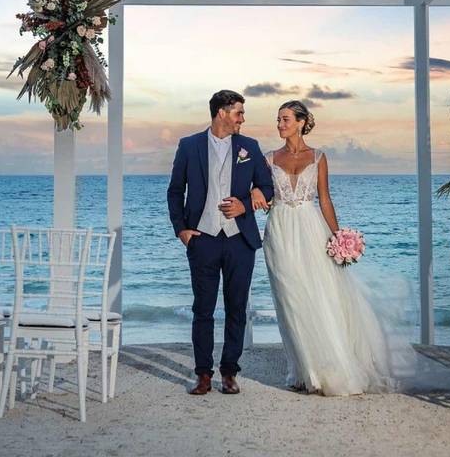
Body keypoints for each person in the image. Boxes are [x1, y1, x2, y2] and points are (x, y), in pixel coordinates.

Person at [251, 100, 414, 395]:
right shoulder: (268, 159)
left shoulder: (319, 157)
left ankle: (326, 368)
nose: (279, 125)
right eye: (278, 120)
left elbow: (325, 199)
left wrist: (338, 238)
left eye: (285, 119)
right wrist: (254, 191)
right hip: (279, 230)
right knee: (290, 297)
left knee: (319, 295)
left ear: (300, 122)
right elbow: (262, 192)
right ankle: (305, 370)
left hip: (312, 229)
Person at [167, 90, 274, 395]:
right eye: (239, 112)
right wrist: (182, 230)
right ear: (222, 113)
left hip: (240, 240)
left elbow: (267, 187)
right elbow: (175, 191)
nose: (243, 118)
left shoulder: (250, 147)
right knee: (203, 309)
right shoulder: (189, 146)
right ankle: (203, 374)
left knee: (237, 308)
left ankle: (229, 372)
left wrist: (245, 203)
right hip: (203, 239)